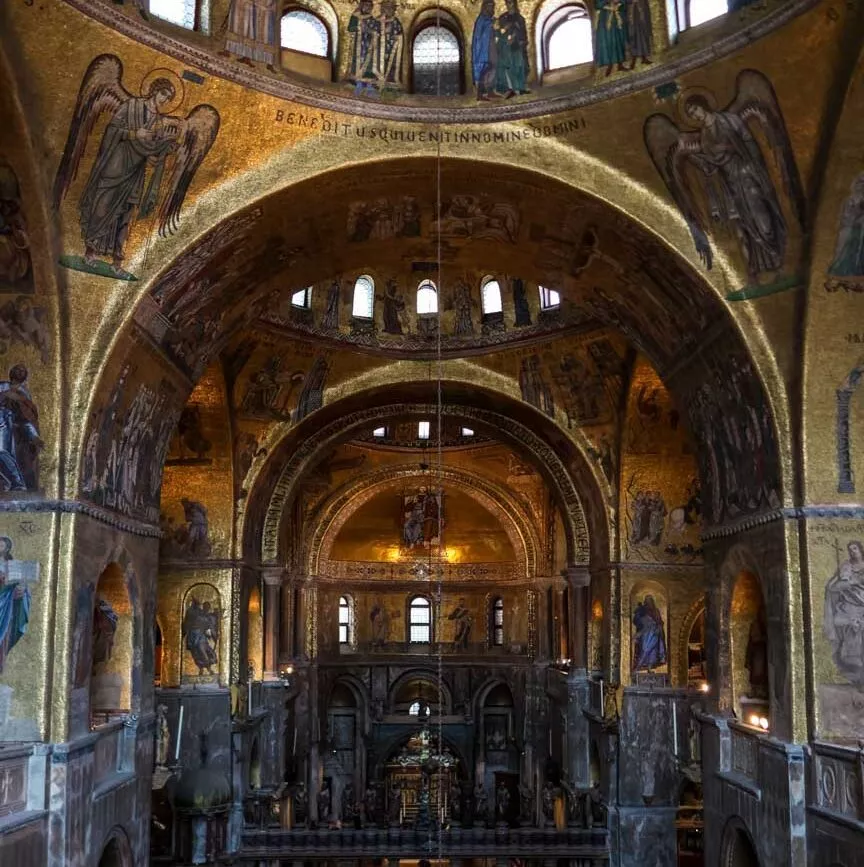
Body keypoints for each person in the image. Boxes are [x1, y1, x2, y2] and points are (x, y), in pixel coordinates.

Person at [78, 80, 180, 277]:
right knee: (103, 204)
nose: (164, 100)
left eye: (168, 99)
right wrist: (134, 134)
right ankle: (90, 252)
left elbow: (151, 149)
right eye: (163, 95)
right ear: (154, 91)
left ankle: (117, 261)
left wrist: (164, 149)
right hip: (116, 164)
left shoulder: (158, 121)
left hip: (136, 171)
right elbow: (111, 130)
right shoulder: (131, 106)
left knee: (126, 212)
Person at [682, 94, 788, 280]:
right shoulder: (705, 135)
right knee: (747, 221)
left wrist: (743, 159)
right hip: (732, 182)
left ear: (703, 105)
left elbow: (748, 141)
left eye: (695, 109)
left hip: (748, 174)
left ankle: (778, 257)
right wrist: (700, 160)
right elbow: (713, 163)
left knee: (761, 215)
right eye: (691, 114)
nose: (695, 115)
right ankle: (765, 265)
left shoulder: (730, 119)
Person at [824, 540, 864, 683]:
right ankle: (846, 665)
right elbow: (832, 587)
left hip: (862, 607)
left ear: (860, 550)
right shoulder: (845, 567)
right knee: (840, 624)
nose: (852, 551)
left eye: (855, 548)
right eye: (850, 549)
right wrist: (850, 583)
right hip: (848, 607)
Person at [0, 363, 42, 491]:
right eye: (18, 370)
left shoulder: (24, 393)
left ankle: (17, 483)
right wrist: (6, 394)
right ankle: (8, 482)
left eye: (23, 371)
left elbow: (27, 417)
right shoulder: (2, 385)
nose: (20, 372)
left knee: (2, 451)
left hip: (7, 422)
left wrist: (33, 435)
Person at [0, 536, 29, 674]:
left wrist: (22, 589)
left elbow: (20, 584)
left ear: (7, 548)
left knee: (5, 635)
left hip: (7, 605)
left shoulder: (12, 565)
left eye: (2, 546)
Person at [495, 0, 530, 97]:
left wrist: (521, 41)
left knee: (520, 67)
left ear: (514, 3)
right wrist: (506, 36)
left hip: (518, 46)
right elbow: (500, 32)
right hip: (507, 47)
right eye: (507, 2)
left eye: (510, 2)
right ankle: (512, 89)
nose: (508, 5)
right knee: (510, 68)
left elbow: (523, 33)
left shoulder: (520, 18)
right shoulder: (503, 18)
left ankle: (521, 88)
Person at [472, 0, 498, 100]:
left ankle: (490, 90)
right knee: (484, 68)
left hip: (491, 46)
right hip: (484, 48)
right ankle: (480, 94)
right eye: (489, 6)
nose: (492, 9)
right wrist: (491, 23)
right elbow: (478, 36)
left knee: (494, 66)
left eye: (493, 6)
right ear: (485, 7)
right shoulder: (481, 19)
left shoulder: (489, 19)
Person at [632, 594, 666, 670]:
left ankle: (650, 665)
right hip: (645, 633)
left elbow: (659, 621)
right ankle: (641, 664)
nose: (648, 603)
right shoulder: (642, 610)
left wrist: (659, 628)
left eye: (650, 601)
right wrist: (638, 613)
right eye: (647, 601)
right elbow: (636, 620)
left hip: (654, 632)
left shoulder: (656, 611)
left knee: (653, 649)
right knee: (644, 648)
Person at [595, 0, 628, 76]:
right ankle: (610, 64)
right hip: (605, 19)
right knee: (608, 40)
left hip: (617, 17)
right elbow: (598, 4)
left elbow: (623, 3)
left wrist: (618, 4)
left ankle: (620, 64)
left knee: (618, 39)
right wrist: (609, 5)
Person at [377, 0, 404, 85]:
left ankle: (389, 81)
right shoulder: (377, 20)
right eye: (387, 8)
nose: (389, 10)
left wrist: (392, 34)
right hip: (378, 48)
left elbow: (399, 34)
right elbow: (374, 32)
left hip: (391, 48)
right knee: (378, 63)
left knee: (390, 65)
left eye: (391, 8)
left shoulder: (395, 21)